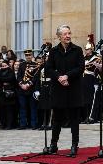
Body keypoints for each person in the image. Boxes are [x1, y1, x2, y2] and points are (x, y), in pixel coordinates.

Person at [46, 25, 84, 157]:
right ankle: (53, 144)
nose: (68, 36)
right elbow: (48, 69)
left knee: (74, 119)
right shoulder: (54, 51)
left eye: (69, 33)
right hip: (58, 89)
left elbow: (80, 68)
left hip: (73, 88)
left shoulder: (77, 50)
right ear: (59, 37)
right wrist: (59, 78)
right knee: (57, 119)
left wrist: (67, 76)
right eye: (65, 34)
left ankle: (74, 145)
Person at [17, 49, 39, 129]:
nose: (28, 57)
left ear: (32, 55)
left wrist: (28, 84)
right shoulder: (22, 65)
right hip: (22, 89)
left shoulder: (36, 65)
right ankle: (23, 124)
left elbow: (36, 77)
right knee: (22, 107)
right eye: (26, 55)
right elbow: (19, 76)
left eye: (29, 55)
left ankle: (33, 124)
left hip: (31, 89)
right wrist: (22, 84)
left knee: (33, 107)